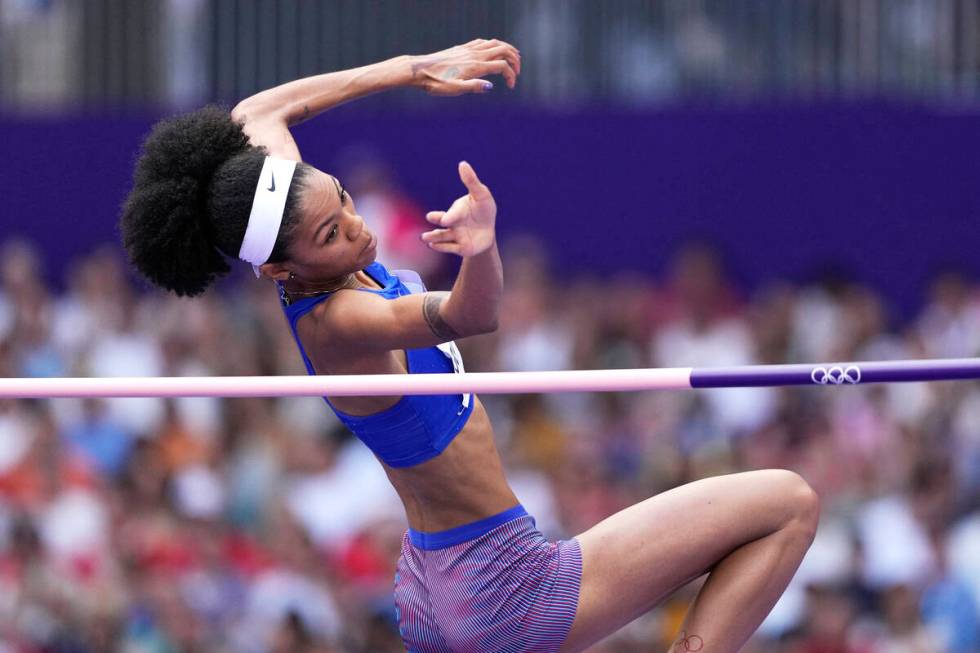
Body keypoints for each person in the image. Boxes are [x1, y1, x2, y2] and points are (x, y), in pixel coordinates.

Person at [120, 39, 820, 653]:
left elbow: (255, 114)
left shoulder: (290, 225)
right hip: (499, 587)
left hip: (434, 583)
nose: (358, 232)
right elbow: (471, 313)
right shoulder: (340, 321)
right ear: (279, 268)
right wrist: (481, 250)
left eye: (345, 203)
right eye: (331, 236)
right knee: (788, 502)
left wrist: (409, 68)